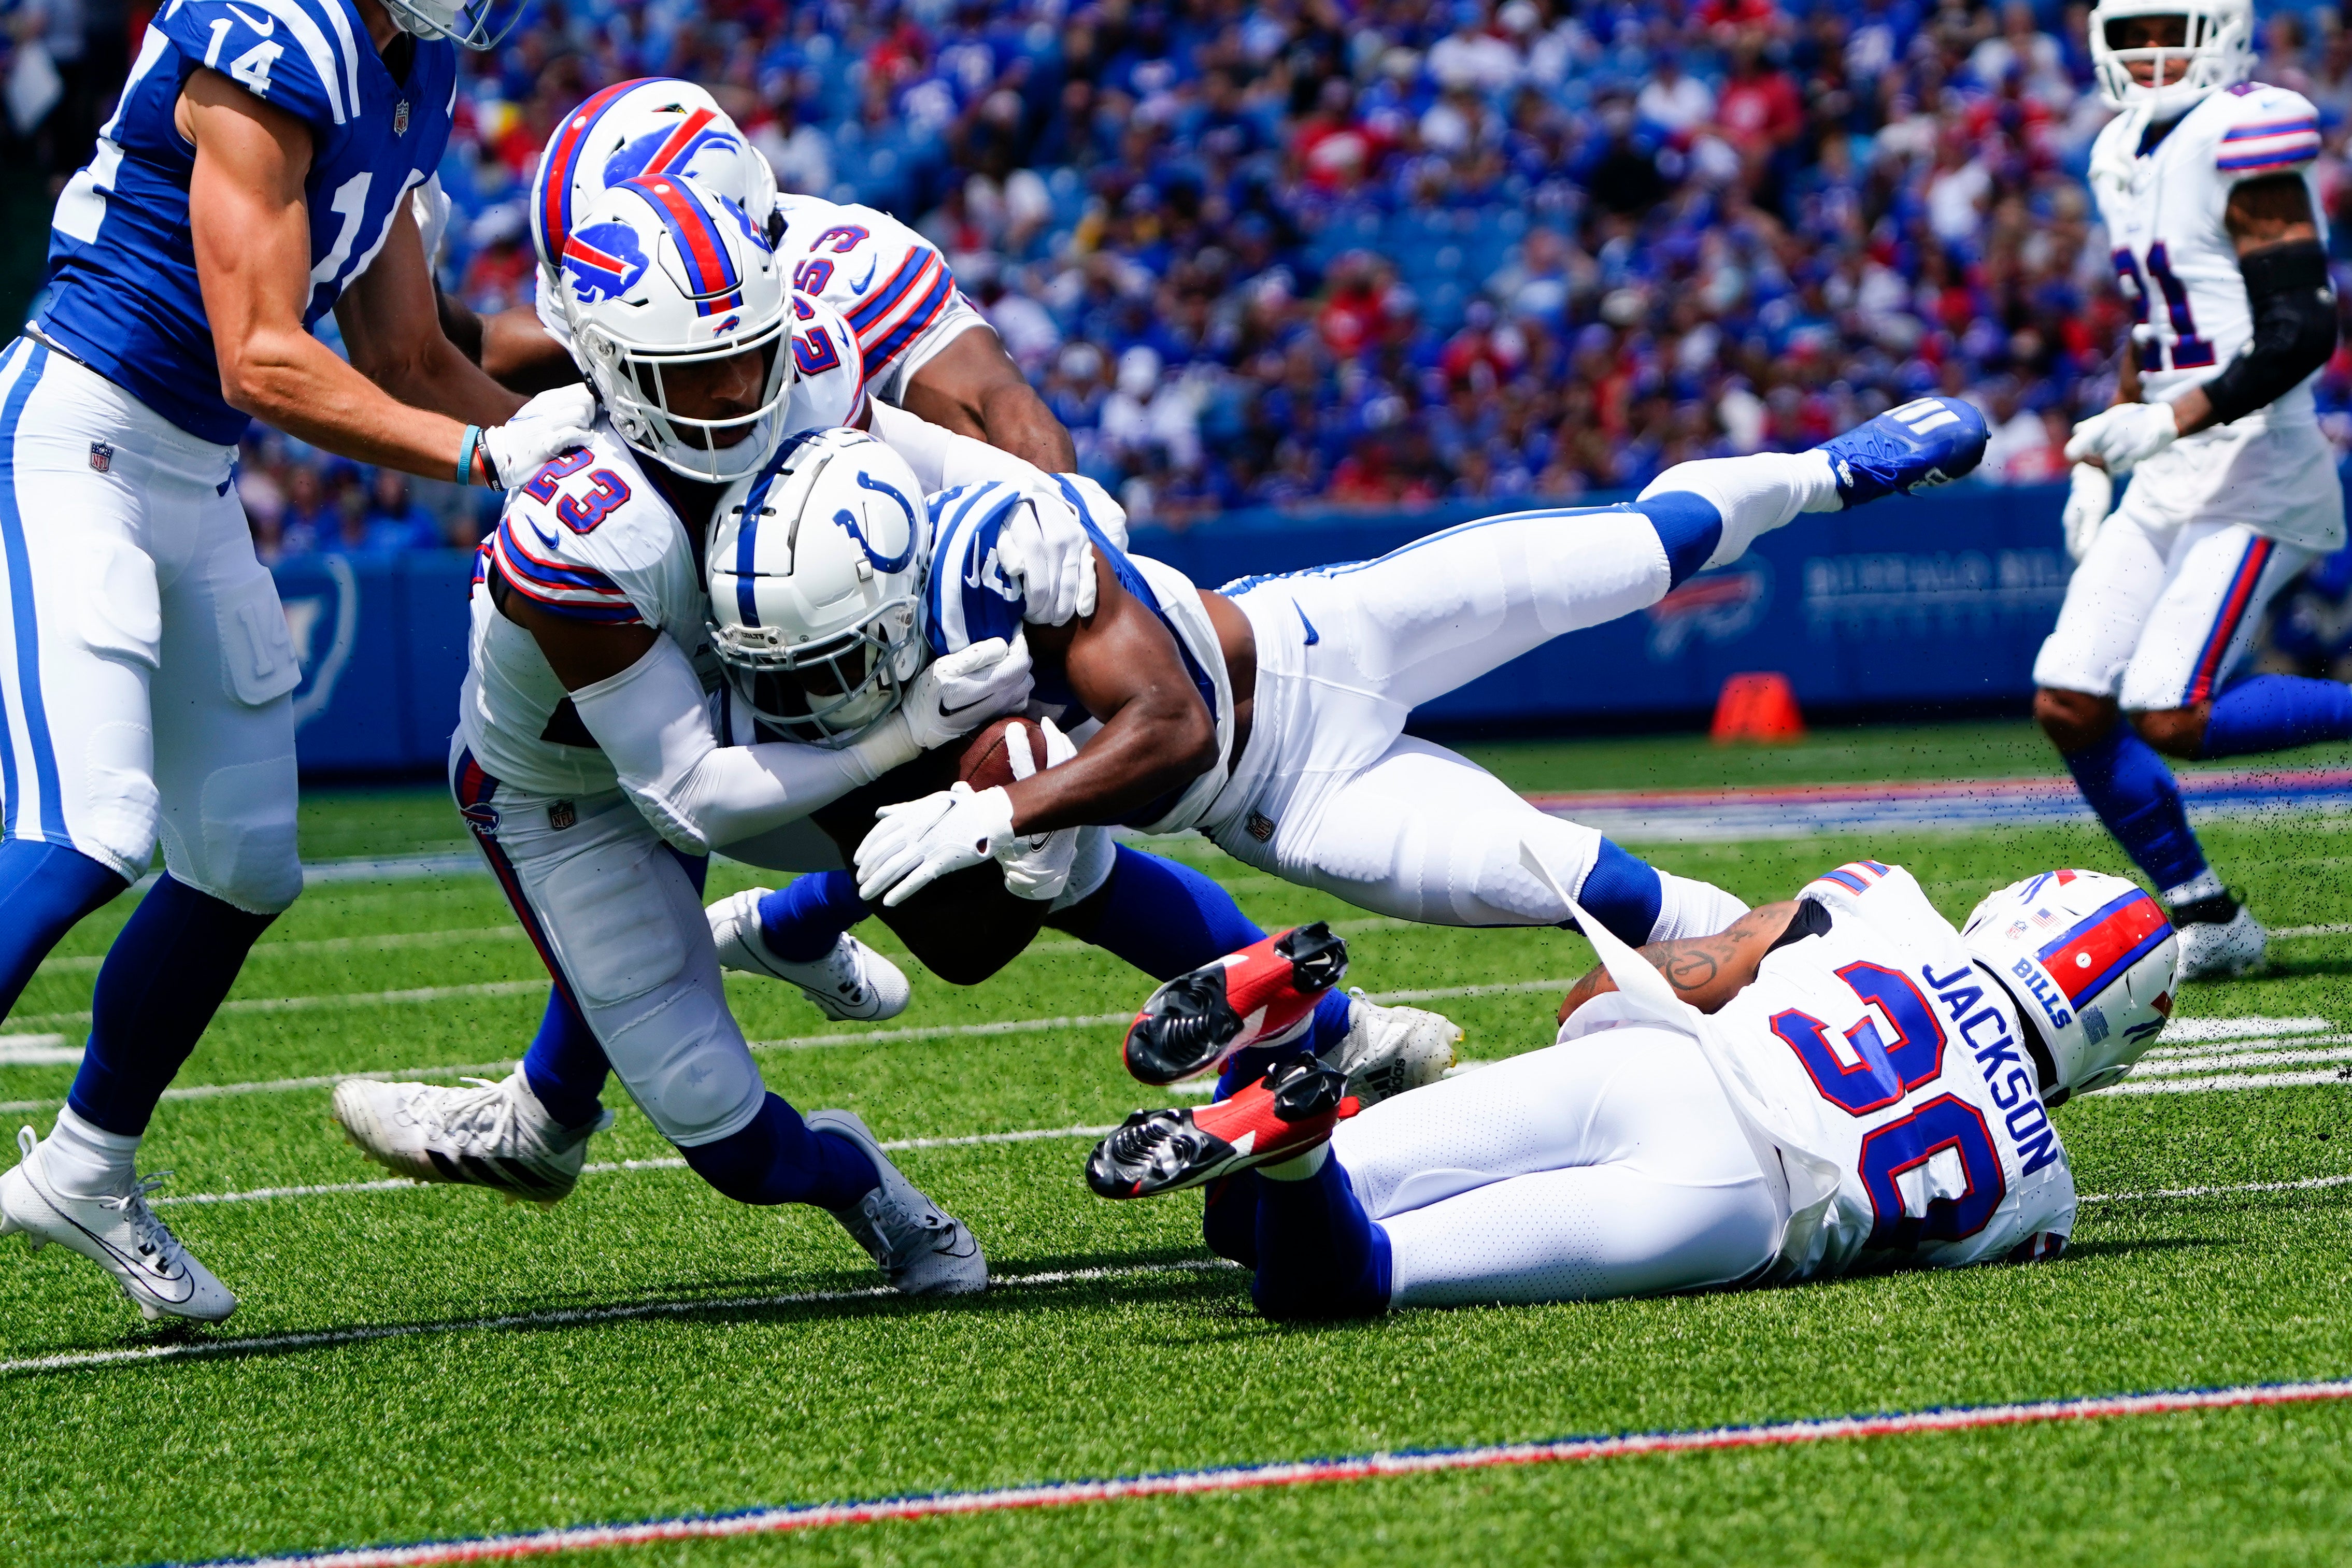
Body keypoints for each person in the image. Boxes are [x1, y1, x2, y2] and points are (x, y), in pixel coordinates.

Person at [328, 177, 1046, 1294]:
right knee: (726, 1137)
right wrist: (908, 728)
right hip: (575, 791)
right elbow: (691, 795)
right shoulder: (578, 520)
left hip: (748, 698)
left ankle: (787, 929)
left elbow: (930, 457)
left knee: (1031, 812)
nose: (730, 395)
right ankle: (852, 1173)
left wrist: (1047, 510)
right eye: (690, 373)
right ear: (610, 369)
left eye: (747, 358)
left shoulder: (807, 364)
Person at [0, 0, 595, 1324]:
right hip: (72, 438)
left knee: (246, 859)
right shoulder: (271, 30)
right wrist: (488, 458)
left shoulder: (417, 64)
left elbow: (406, 353)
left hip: (190, 477)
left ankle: (86, 1166)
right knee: (88, 829)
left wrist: (597, 465)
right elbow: (263, 356)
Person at [758, 398, 1987, 971]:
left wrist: (1006, 810)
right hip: (1288, 805)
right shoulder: (857, 718)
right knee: (1587, 885)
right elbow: (987, 936)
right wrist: (1018, 850)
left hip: (1323, 637)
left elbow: (1168, 720)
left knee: (1637, 549)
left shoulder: (983, 552)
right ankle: (1833, 973)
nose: (825, 679)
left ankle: (1829, 470)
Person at [1088, 862, 2177, 1319]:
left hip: (1662, 1068)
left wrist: (1597, 1026)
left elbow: (1612, 986)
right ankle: (1297, 1142)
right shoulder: (2044, 1201)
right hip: (1730, 1201)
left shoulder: (1876, 900)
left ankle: (1277, 1030)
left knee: (1244, 1227)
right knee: (1337, 1280)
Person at [2039, 0, 2347, 979]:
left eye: (2167, 27)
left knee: (2171, 711)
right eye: (2129, 34)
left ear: (2218, 27)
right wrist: (2100, 453)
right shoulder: (2117, 146)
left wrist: (2165, 418)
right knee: (2070, 701)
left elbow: (2300, 329)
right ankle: (2203, 913)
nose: (2150, 52)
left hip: (2257, 460)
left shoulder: (2244, 129)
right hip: (2169, 465)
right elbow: (2154, 327)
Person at [438, 77, 1074, 473]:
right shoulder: (633, 309)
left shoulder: (847, 270)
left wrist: (1055, 523)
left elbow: (996, 408)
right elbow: (484, 348)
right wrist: (382, 252)